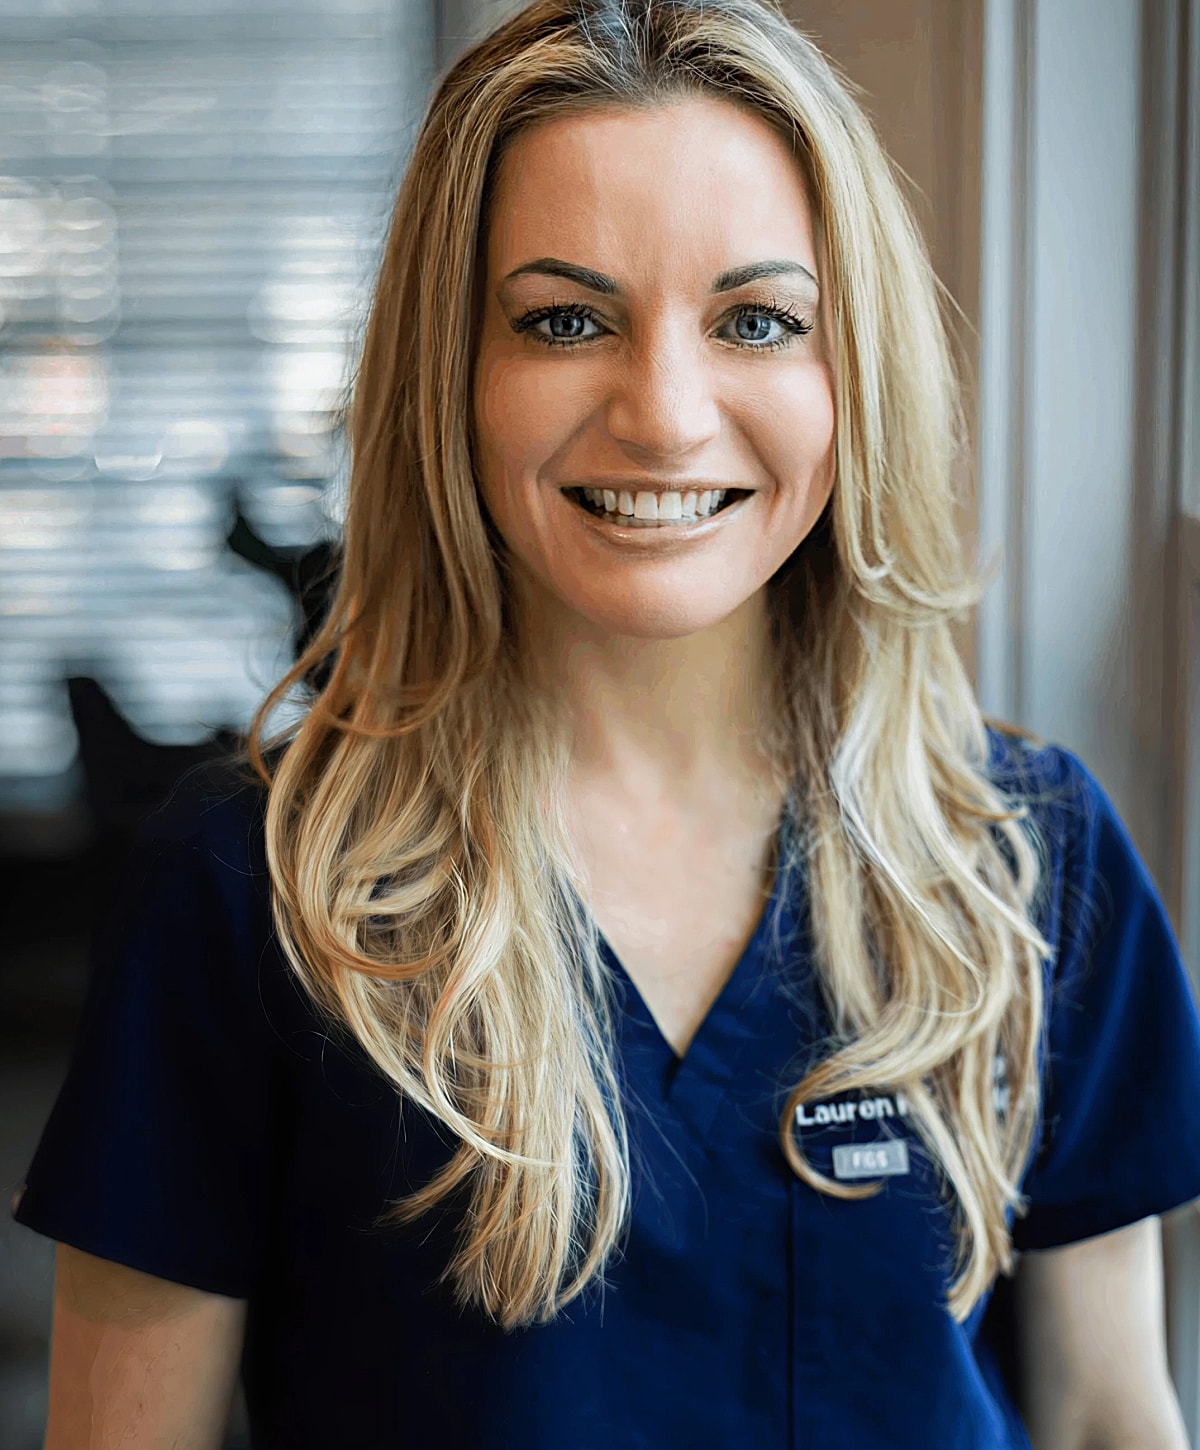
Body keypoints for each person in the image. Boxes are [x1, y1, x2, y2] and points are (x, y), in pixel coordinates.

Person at [13, 1, 1200, 1445]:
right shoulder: (249, 892)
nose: (666, 414)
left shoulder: (1030, 862)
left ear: (854, 374)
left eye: (757, 320)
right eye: (564, 320)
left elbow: (1105, 1413)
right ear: (451, 377)